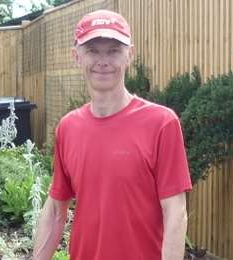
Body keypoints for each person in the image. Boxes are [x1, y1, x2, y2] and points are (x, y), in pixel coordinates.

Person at [33, 9, 192, 260]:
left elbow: (176, 211)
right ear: (76, 57)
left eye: (114, 50)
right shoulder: (68, 128)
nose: (103, 61)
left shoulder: (161, 123)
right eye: (93, 50)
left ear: (130, 55)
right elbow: (55, 210)